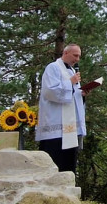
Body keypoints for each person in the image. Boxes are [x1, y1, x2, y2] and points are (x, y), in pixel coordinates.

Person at [37, 43, 87, 172]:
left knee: (68, 166)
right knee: (53, 164)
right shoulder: (53, 68)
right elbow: (50, 91)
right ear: (65, 53)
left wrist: (81, 94)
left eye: (79, 56)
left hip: (70, 129)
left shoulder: (71, 71)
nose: (77, 59)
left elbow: (71, 95)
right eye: (75, 55)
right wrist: (70, 82)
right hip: (55, 127)